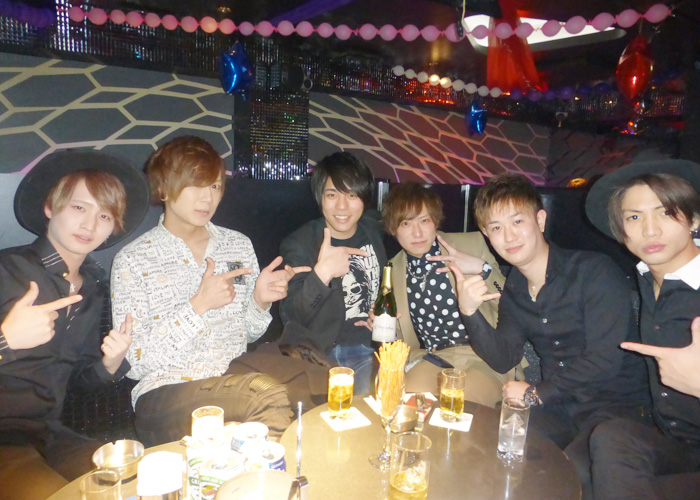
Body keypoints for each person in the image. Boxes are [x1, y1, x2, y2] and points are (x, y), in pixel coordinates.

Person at [455, 173, 650, 498]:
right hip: (559, 408)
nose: (509, 236)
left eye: (518, 221)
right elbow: (503, 357)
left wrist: (535, 393)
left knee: (566, 477)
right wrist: (469, 311)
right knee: (490, 442)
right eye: (496, 228)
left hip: (616, 409)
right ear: (488, 236)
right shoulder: (515, 289)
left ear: (540, 220)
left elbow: (604, 360)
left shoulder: (593, 271)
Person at [111, 136, 308, 446]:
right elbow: (133, 363)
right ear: (164, 188)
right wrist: (197, 306)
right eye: (195, 185)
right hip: (165, 393)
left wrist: (259, 301)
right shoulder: (134, 259)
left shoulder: (237, 245)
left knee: (313, 384)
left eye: (215, 186)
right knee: (264, 396)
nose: (207, 198)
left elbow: (248, 333)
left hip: (235, 377)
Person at [0, 150, 149, 500]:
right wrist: (6, 340)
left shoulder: (92, 290)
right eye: (79, 207)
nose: (90, 225)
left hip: (49, 435)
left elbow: (78, 383)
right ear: (50, 207)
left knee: (141, 484)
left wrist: (109, 365)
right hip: (5, 440)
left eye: (104, 215)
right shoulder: (8, 269)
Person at [585, 160, 700, 500]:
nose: (650, 230)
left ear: (694, 219)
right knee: (598, 447)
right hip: (673, 441)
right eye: (634, 217)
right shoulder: (646, 278)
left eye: (666, 212)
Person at [381, 182, 513, 407]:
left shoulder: (470, 244)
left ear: (435, 221)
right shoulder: (392, 271)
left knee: (459, 407)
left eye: (424, 220)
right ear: (394, 229)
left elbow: (512, 305)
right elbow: (399, 339)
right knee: (407, 407)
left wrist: (483, 268)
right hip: (432, 358)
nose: (417, 232)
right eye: (406, 223)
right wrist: (386, 327)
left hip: (485, 356)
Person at [279, 152, 387, 394]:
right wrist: (323, 273)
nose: (342, 206)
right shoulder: (300, 243)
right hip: (322, 353)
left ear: (365, 198)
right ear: (320, 197)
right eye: (332, 195)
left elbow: (414, 228)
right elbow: (291, 315)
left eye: (352, 195)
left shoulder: (374, 228)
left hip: (370, 349)